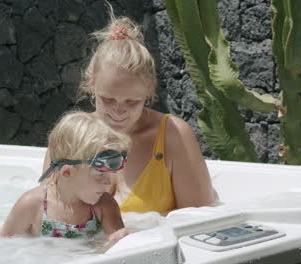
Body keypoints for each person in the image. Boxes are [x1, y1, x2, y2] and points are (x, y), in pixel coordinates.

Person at [43, 6, 215, 215]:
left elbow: (202, 224)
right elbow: (46, 219)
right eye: (108, 99)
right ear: (91, 86)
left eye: (132, 101)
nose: (119, 111)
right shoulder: (69, 138)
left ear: (149, 92)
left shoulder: (173, 135)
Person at [1, 111, 130, 242]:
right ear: (67, 172)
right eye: (100, 174)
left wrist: (120, 239)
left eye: (111, 173)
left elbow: (117, 249)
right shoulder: (31, 205)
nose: (108, 182)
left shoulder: (104, 205)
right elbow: (4, 247)